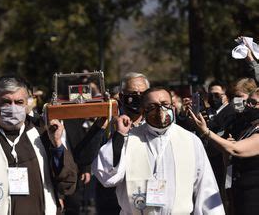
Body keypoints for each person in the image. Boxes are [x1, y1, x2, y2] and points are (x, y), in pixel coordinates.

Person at [0, 75, 77, 215]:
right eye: (6, 102)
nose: (13, 108)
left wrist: (57, 145)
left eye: (19, 102)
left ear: (26, 105)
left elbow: (67, 184)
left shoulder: (43, 135)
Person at [93, 87, 224, 214]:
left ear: (173, 107)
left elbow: (206, 188)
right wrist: (120, 135)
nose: (160, 110)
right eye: (152, 106)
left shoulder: (190, 140)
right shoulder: (129, 139)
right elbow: (107, 176)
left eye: (165, 104)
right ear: (143, 112)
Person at [75, 72, 150, 214]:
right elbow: (83, 158)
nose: (138, 98)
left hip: (146, 200)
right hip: (112, 203)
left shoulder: (154, 124)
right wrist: (101, 125)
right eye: (132, 94)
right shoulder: (110, 121)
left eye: (143, 93)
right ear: (122, 97)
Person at [190, 87, 259, 215]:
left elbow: (236, 150)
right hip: (239, 193)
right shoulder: (250, 127)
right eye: (249, 101)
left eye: (254, 103)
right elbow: (230, 153)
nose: (249, 105)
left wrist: (206, 132)